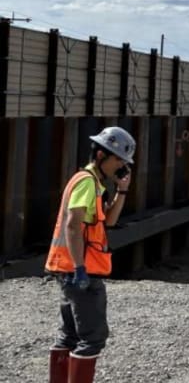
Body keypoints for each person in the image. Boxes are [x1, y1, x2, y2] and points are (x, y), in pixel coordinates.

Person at [45, 126, 136, 383]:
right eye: (118, 159)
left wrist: (122, 190)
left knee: (70, 335)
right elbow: (72, 226)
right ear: (100, 156)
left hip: (70, 268)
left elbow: (109, 221)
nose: (121, 165)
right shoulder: (86, 182)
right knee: (92, 337)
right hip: (80, 270)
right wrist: (79, 268)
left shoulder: (93, 184)